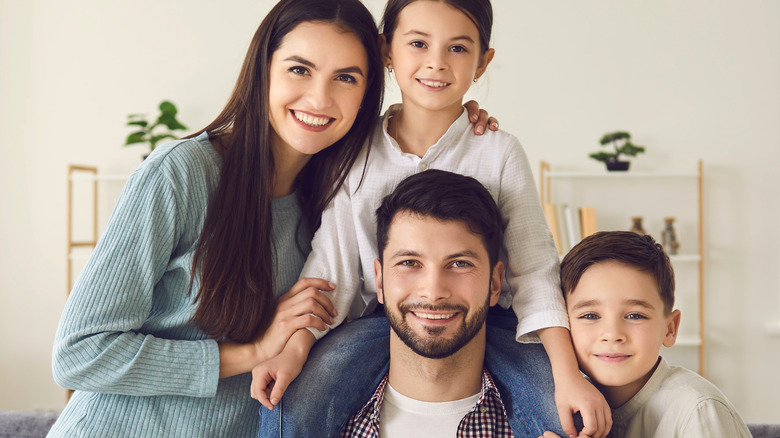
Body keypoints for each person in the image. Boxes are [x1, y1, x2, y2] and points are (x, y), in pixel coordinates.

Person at [253, 1, 609, 437]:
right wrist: (295, 347)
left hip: (487, 322)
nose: (436, 63)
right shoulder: (353, 150)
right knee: (296, 401)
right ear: (386, 51)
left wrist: (568, 373)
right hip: (381, 323)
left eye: (458, 48)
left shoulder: (497, 151)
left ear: (483, 62)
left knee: (567, 417)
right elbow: (334, 267)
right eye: (418, 43)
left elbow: (533, 268)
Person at [48, 1, 384, 436]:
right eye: (299, 69)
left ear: (367, 92)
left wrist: (466, 123)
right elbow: (79, 353)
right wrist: (255, 349)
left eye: (345, 78)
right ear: (263, 70)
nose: (319, 98)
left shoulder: (339, 201)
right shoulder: (183, 172)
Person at [340, 169, 553, 436]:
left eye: (459, 264)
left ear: (495, 284)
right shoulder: (326, 426)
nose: (433, 292)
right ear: (380, 281)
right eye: (409, 263)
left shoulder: (556, 423)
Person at [541, 231, 752, 438]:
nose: (612, 335)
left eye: (634, 315)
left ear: (670, 329)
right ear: (561, 323)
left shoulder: (697, 409)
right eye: (590, 316)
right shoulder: (560, 402)